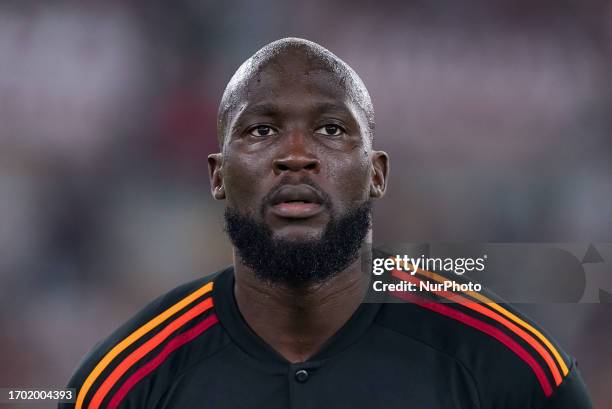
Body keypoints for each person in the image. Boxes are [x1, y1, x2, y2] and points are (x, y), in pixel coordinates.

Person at [61, 38, 591, 409]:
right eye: (262, 130)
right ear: (218, 176)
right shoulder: (126, 382)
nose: (296, 155)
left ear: (377, 174)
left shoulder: (511, 364)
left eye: (332, 129)